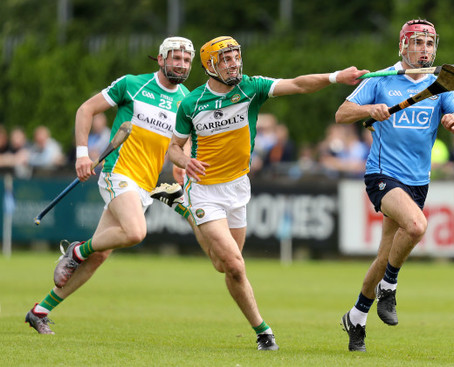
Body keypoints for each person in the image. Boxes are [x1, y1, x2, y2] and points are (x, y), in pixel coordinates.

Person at [156, 35, 367, 350]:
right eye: (224, 60)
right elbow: (173, 147)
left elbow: (297, 85)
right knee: (236, 265)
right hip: (204, 190)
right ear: (210, 65)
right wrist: (185, 161)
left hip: (238, 187)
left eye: (235, 57)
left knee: (224, 265)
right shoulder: (192, 103)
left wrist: (336, 78)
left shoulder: (251, 88)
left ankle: (183, 209)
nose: (233, 64)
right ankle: (263, 332)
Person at [24, 36, 196, 335]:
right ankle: (76, 252)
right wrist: (82, 155)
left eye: (186, 60)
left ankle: (39, 311)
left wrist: (182, 164)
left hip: (145, 183)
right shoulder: (132, 84)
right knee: (135, 232)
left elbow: (182, 142)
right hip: (119, 172)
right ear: (161, 59)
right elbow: (86, 110)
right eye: (175, 58)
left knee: (99, 256)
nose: (180, 64)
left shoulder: (187, 100)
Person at [334, 19, 454, 352]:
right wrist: (370, 109)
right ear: (403, 46)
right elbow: (342, 114)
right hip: (383, 174)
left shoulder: (441, 84)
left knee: (385, 254)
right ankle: (389, 287)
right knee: (416, 226)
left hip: (417, 182)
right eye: (417, 43)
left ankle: (356, 316)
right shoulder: (383, 79)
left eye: (429, 44)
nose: (424, 50)